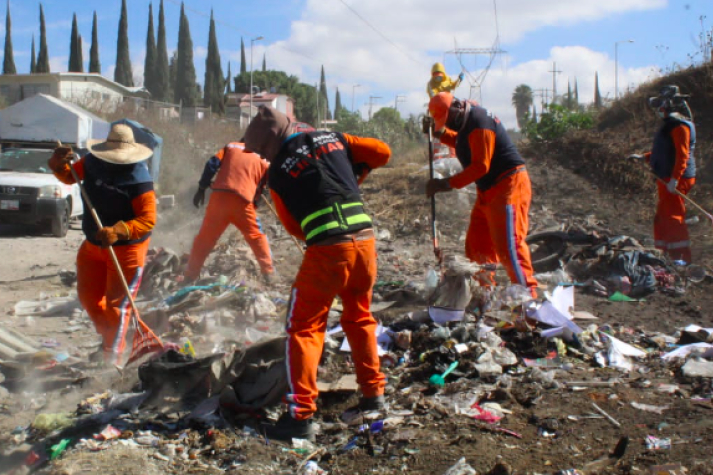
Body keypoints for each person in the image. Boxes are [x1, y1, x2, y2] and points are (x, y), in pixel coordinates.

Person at [244, 105, 390, 441]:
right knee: (360, 317)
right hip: (366, 243)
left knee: (304, 328)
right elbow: (383, 152)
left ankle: (300, 416)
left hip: (329, 250)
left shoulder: (278, 173)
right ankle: (373, 397)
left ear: (270, 143)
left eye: (261, 149)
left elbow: (294, 227)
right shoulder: (333, 137)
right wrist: (356, 170)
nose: (263, 156)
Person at [48, 123, 157, 365]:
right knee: (89, 298)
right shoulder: (93, 162)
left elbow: (148, 220)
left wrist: (120, 230)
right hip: (93, 244)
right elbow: (69, 176)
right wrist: (58, 163)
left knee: (117, 307)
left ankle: (111, 360)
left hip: (127, 250)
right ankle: (110, 338)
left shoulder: (139, 179)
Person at [425, 92, 539, 298]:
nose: (448, 124)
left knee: (509, 245)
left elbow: (480, 166)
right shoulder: (467, 122)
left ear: (457, 108)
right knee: (478, 244)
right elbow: (463, 143)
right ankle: (484, 291)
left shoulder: (480, 122)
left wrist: (445, 184)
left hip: (508, 185)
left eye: (448, 120)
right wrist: (439, 133)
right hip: (488, 190)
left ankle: (527, 298)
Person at [184, 141, 275, 282]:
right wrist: (253, 206)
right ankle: (268, 274)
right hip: (242, 201)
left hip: (219, 198)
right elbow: (261, 187)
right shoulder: (264, 159)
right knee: (256, 237)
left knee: (204, 239)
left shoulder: (231, 146)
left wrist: (201, 189)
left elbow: (211, 165)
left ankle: (190, 276)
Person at [628, 85, 696, 262]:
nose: (659, 111)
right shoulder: (670, 126)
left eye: (661, 107)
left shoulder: (680, 127)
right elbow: (665, 152)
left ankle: (681, 257)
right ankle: (663, 253)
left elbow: (682, 155)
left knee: (673, 217)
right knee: (662, 216)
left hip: (676, 179)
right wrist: (644, 157)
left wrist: (675, 179)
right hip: (667, 177)